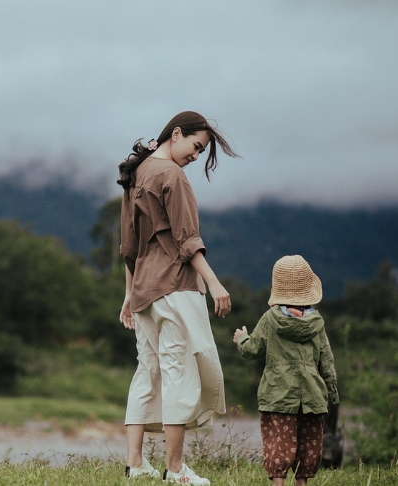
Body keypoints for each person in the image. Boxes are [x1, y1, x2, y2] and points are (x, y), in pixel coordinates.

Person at [118, 111, 239, 484]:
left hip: (144, 291)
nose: (196, 155)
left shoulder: (136, 174)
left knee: (148, 372)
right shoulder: (172, 176)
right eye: (196, 146)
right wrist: (215, 283)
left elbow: (128, 246)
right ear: (176, 134)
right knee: (179, 373)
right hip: (174, 287)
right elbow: (188, 242)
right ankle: (175, 471)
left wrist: (128, 295)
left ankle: (136, 464)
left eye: (201, 151)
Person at [233, 255, 339, 486]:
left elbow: (253, 349)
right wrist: (332, 393)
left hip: (277, 395)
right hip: (311, 396)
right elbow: (327, 361)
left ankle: (278, 483)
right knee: (308, 445)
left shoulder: (270, 319)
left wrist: (241, 339)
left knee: (279, 444)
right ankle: (301, 483)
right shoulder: (317, 323)